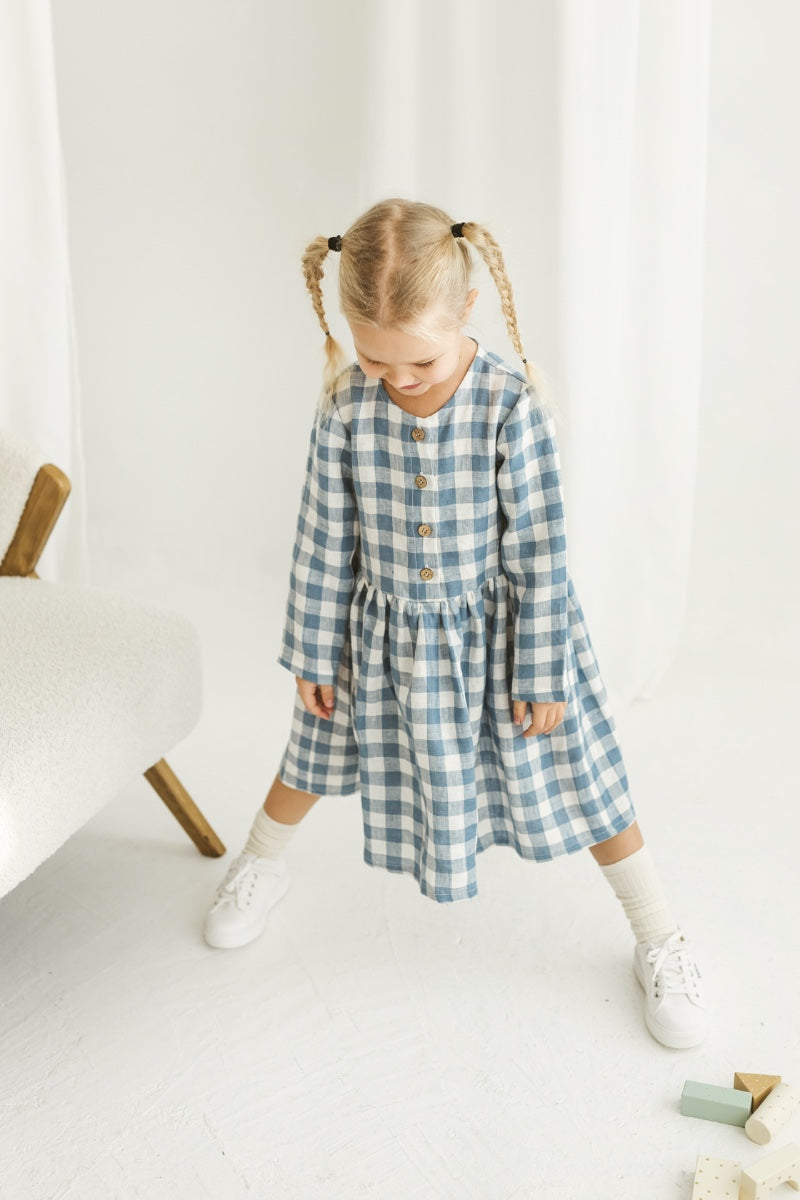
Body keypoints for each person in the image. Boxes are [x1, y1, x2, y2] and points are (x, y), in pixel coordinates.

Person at [203, 198, 707, 1050]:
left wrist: (542, 672)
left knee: (589, 780)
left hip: (506, 635)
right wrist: (314, 650)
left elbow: (543, 549)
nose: (397, 379)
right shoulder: (345, 407)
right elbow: (325, 537)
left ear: (465, 309)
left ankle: (660, 935)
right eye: (376, 359)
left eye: (419, 362)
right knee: (314, 749)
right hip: (383, 637)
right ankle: (257, 865)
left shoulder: (513, 404)